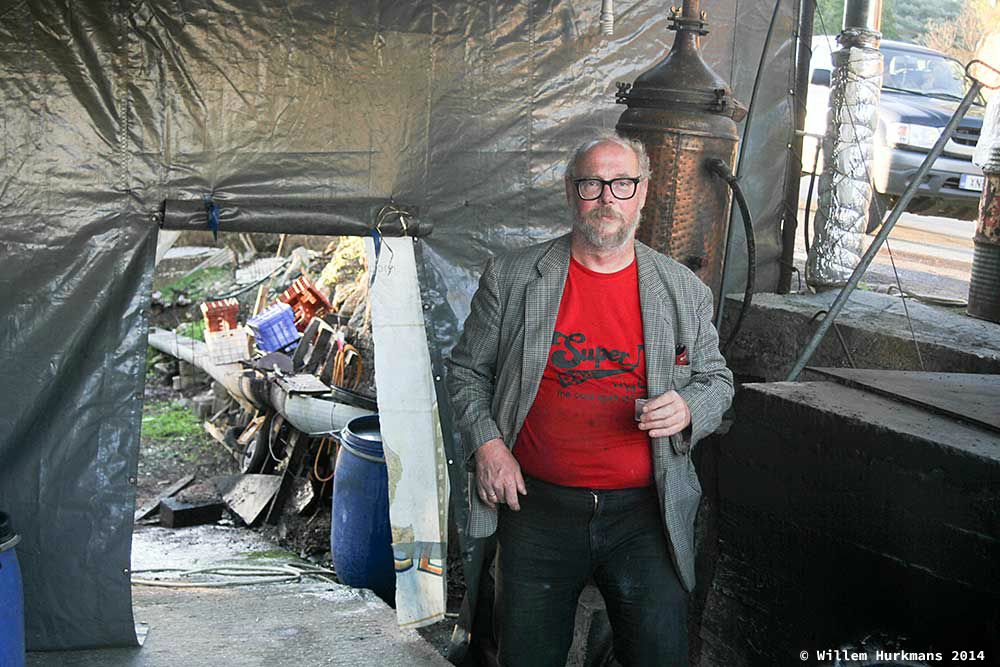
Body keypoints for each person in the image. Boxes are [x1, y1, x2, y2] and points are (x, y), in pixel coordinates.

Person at [446, 132, 734, 666]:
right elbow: (465, 370)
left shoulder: (681, 289)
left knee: (661, 656)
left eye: (622, 184)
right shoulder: (513, 277)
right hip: (536, 508)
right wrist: (488, 446)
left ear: (643, 193)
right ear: (570, 192)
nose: (607, 198)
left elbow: (718, 381)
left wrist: (690, 407)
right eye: (592, 184)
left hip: (643, 514)